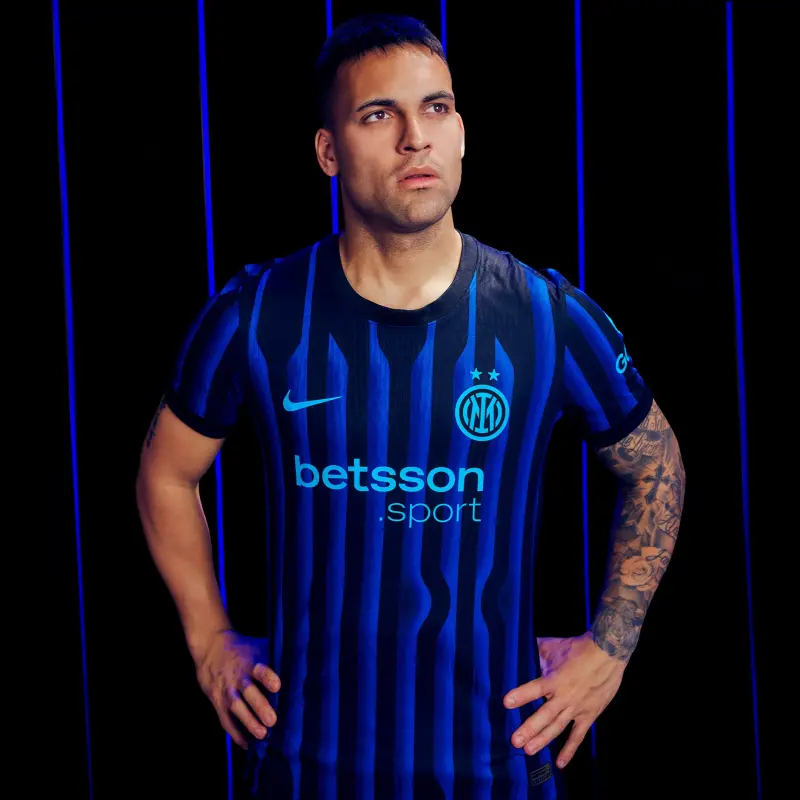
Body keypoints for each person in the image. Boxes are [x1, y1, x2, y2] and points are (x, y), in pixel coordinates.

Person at [136, 12, 685, 799]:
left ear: (460, 134)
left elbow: (657, 464)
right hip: (305, 773)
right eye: (377, 114)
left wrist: (611, 648)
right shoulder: (254, 317)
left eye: (436, 108)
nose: (414, 137)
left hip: (498, 772)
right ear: (328, 151)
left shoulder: (547, 317)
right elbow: (165, 474)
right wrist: (208, 638)